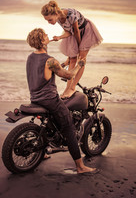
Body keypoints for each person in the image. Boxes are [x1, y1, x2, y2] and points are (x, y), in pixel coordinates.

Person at [26, 28, 97, 174]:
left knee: (50, 123)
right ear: (42, 41)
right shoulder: (50, 60)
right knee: (69, 128)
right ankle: (80, 167)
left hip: (35, 98)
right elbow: (69, 75)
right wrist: (80, 65)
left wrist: (64, 63)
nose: (47, 36)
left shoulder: (31, 57)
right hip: (50, 100)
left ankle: (43, 151)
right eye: (45, 35)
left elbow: (48, 71)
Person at [41, 0, 103, 98]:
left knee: (81, 60)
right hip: (73, 33)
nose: (49, 22)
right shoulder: (58, 19)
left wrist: (79, 48)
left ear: (56, 14)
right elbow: (68, 32)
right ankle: (67, 88)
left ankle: (72, 88)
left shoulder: (71, 16)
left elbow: (77, 32)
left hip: (85, 31)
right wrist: (59, 37)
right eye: (47, 20)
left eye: (49, 20)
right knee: (73, 59)